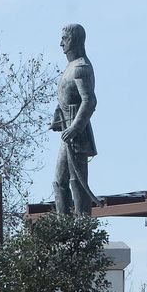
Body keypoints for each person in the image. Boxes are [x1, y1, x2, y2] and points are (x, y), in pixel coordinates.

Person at [50, 23, 97, 215]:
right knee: (59, 181)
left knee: (77, 180)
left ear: (75, 40)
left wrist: (76, 127)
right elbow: (67, 96)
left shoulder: (81, 68)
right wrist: (57, 115)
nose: (61, 43)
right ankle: (64, 226)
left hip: (77, 134)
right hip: (67, 131)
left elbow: (89, 101)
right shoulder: (70, 67)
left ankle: (82, 224)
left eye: (65, 39)